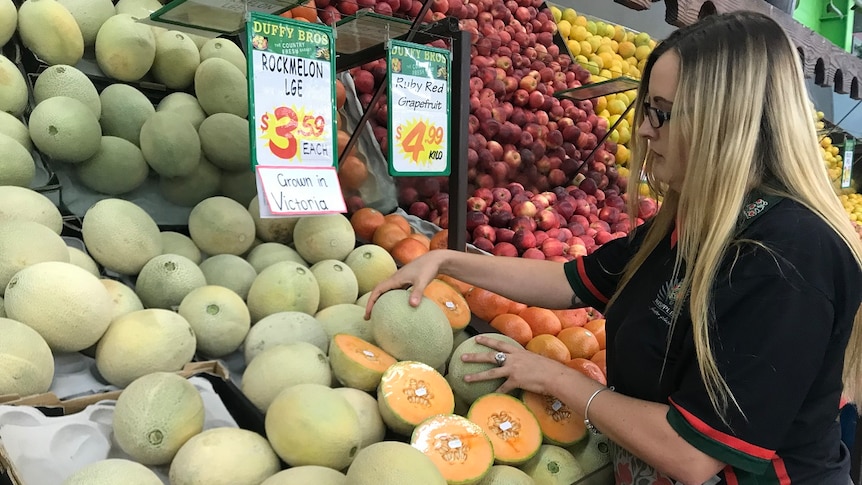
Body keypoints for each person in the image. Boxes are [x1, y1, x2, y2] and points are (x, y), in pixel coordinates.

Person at [365, 11, 862, 485]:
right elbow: (570, 280)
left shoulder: (793, 256)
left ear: (725, 122)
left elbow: (694, 454)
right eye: (648, 109)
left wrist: (558, 379)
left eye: (662, 114)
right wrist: (450, 260)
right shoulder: (695, 220)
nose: (644, 130)